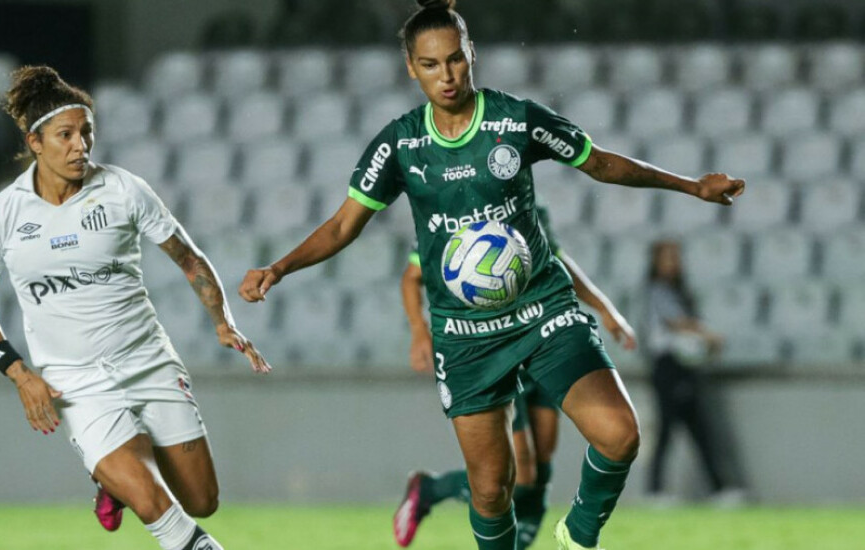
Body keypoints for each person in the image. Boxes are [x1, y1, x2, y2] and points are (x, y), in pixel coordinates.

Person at [239, 1, 744, 548]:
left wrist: (691, 185)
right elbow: (342, 227)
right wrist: (280, 267)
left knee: (620, 435)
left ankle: (578, 535)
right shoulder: (400, 145)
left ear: (471, 54)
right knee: (491, 490)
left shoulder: (515, 120)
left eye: (455, 60)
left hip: (543, 311)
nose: (447, 75)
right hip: (465, 339)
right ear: (411, 67)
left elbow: (598, 162)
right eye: (431, 65)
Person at [0, 65, 271, 550]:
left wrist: (223, 322)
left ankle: (114, 481)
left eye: (87, 133)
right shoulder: (0, 215)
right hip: (74, 380)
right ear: (35, 141)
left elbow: (189, 259)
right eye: (66, 135)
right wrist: (20, 374)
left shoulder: (124, 190)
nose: (80, 145)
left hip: (148, 361)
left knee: (202, 498)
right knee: (157, 507)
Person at [393, 205, 638, 549]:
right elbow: (411, 276)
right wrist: (420, 332)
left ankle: (554, 540)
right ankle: (432, 488)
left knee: (542, 456)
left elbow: (558, 261)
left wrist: (604, 309)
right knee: (520, 473)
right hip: (495, 349)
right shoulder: (455, 221)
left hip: (544, 335)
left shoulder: (529, 210)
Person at [644, 239, 744, 505]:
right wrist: (707, 334)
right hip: (668, 365)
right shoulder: (656, 291)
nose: (673, 263)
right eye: (667, 258)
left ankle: (719, 489)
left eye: (675, 258)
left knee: (700, 428)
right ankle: (655, 491)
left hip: (684, 366)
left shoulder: (679, 292)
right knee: (667, 428)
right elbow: (676, 323)